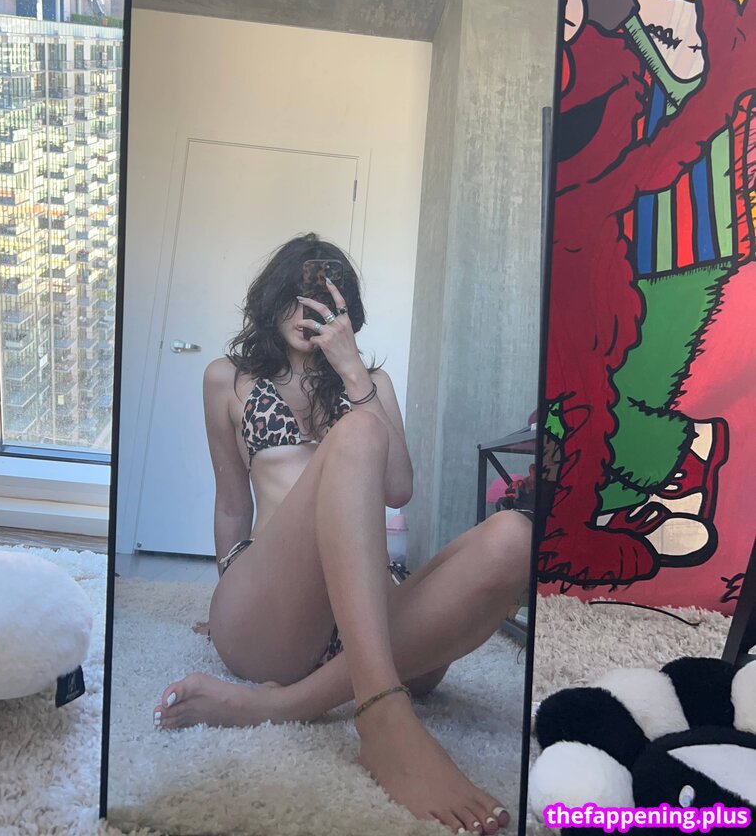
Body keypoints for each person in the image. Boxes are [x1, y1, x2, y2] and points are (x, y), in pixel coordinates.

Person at [152, 234, 532, 833]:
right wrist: (229, 593)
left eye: (323, 298)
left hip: (365, 613)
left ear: (344, 309)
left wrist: (352, 370)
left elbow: (398, 489)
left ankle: (283, 705)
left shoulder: (370, 381)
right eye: (295, 294)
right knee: (357, 433)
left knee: (514, 537)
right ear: (271, 299)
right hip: (273, 612)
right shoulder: (227, 378)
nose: (306, 311)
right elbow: (231, 502)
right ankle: (382, 710)